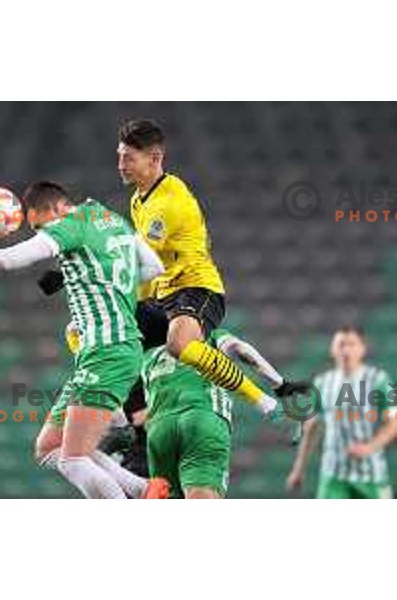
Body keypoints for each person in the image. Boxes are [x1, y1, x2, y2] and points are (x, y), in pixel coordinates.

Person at [0, 181, 169, 499]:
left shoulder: (69, 225)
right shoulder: (108, 217)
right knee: (49, 447)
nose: (42, 234)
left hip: (108, 352)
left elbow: (6, 260)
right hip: (108, 351)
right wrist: (85, 277)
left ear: (52, 210)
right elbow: (154, 266)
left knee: (73, 460)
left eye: (39, 226)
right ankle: (144, 488)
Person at [117, 119, 279, 416]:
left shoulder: (166, 203)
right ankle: (132, 421)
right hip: (164, 296)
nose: (121, 164)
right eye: (120, 156)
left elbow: (141, 260)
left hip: (197, 290)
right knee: (115, 336)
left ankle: (266, 404)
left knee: (178, 345)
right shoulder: (139, 198)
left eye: (128, 157)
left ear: (154, 159)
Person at [142, 328, 303, 499]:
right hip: (202, 417)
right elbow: (239, 348)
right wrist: (281, 384)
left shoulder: (149, 356)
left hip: (158, 430)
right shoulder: (210, 336)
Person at [286, 325, 397, 499]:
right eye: (341, 344)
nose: (346, 350)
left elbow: (394, 422)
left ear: (362, 349)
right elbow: (312, 427)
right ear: (332, 349)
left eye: (351, 344)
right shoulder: (322, 383)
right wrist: (298, 469)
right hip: (333, 476)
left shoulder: (380, 380)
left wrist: (370, 447)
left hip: (372, 475)